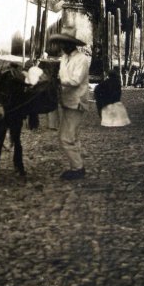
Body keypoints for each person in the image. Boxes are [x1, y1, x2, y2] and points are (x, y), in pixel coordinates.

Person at [52, 25, 90, 180]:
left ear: (71, 44)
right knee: (71, 136)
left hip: (77, 101)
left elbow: (75, 80)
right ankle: (77, 164)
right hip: (66, 100)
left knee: (65, 138)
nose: (61, 46)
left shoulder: (81, 59)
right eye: (60, 43)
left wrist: (59, 80)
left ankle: (78, 167)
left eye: (64, 43)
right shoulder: (64, 58)